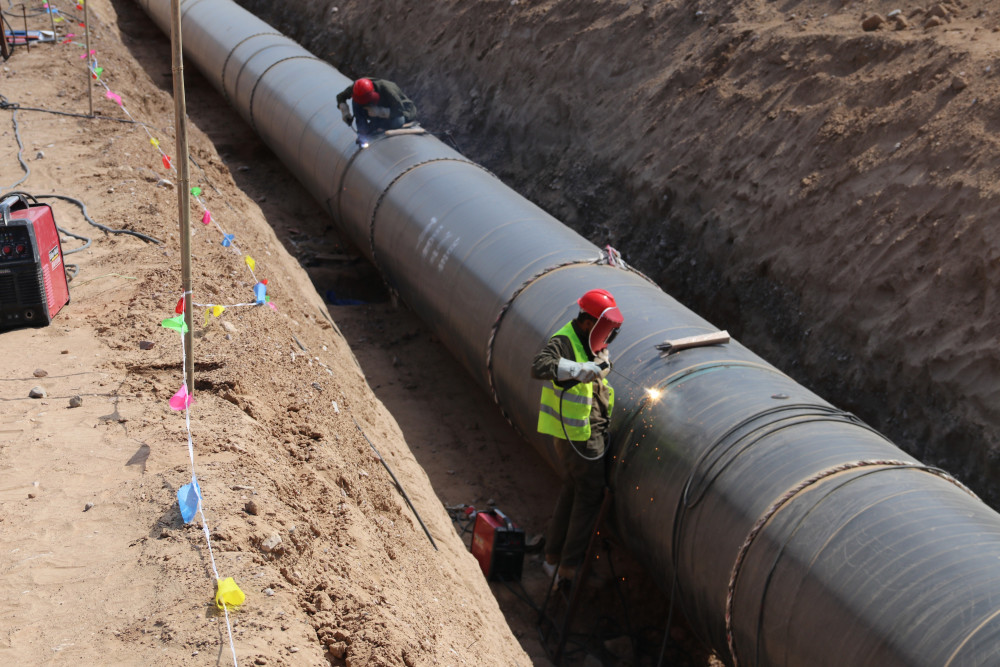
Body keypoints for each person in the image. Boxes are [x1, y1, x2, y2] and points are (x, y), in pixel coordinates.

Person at [531, 288, 623, 585]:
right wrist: (578, 369)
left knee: (572, 490)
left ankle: (553, 557)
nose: (606, 334)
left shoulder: (588, 340)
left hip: (583, 431)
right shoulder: (565, 341)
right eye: (603, 328)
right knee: (589, 496)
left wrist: (601, 364)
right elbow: (539, 366)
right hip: (578, 437)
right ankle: (569, 568)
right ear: (588, 322)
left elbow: (598, 360)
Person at [337, 77, 417, 137]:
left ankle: (378, 127)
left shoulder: (387, 89)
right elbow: (340, 96)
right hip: (374, 113)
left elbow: (399, 110)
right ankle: (363, 133)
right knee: (356, 103)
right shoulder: (357, 88)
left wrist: (381, 111)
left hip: (396, 112)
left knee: (398, 121)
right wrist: (345, 111)